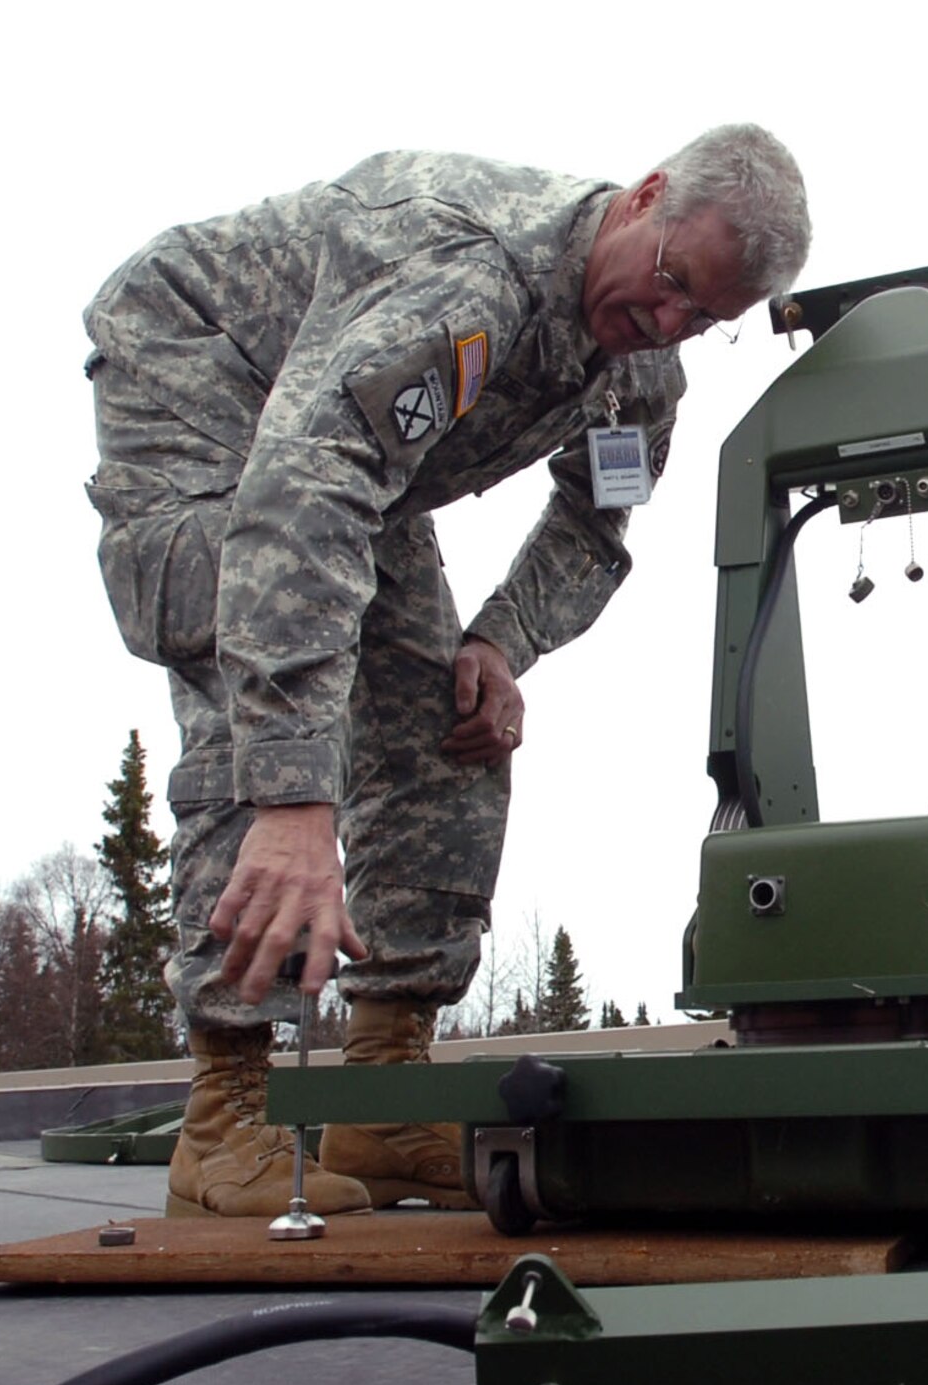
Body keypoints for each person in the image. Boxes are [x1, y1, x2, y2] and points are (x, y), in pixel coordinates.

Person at [83, 126, 812, 1217]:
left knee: (451, 720)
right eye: (670, 284)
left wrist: (498, 644)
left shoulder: (641, 366)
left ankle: (381, 1092)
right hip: (205, 377)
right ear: (644, 196)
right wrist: (294, 801)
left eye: (704, 318)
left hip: (348, 458)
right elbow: (306, 488)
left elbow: (597, 524)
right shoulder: (472, 275)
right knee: (260, 688)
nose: (669, 326)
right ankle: (223, 1108)